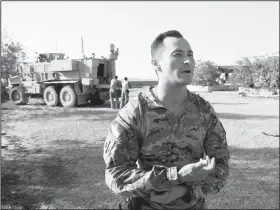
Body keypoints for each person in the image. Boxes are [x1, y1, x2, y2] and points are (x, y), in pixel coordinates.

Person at [103, 30, 230, 209]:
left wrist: (187, 192)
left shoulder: (204, 111)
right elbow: (116, 175)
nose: (188, 61)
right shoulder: (135, 113)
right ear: (157, 64)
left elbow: (221, 165)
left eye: (190, 54)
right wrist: (175, 176)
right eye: (178, 54)